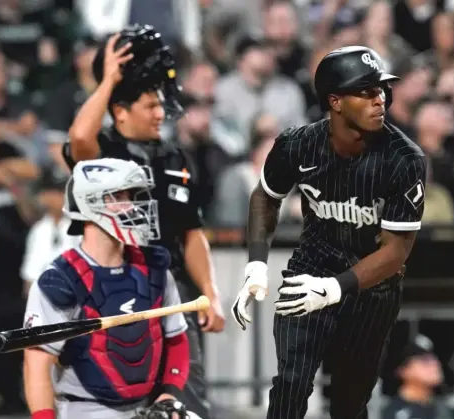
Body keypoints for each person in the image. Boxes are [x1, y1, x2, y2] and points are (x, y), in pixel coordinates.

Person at [231, 46, 427, 419]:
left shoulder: (405, 159)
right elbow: (265, 197)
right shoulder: (297, 144)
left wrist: (336, 288)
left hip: (372, 288)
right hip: (311, 268)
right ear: (335, 101)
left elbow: (395, 252)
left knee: (349, 403)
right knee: (290, 385)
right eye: (366, 91)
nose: (380, 99)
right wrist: (256, 264)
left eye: (381, 90)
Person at [62, 25, 224, 419]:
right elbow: (79, 138)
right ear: (120, 111)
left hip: (173, 289)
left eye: (159, 104)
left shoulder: (173, 157)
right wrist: (110, 81)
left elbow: (192, 232)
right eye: (150, 106)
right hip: (114, 287)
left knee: (183, 400)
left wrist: (210, 292)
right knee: (117, 399)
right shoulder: (106, 153)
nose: (159, 113)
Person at [23, 157, 196, 419]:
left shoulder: (154, 269)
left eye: (132, 195)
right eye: (119, 196)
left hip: (149, 407)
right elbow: (36, 365)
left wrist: (169, 395)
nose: (133, 206)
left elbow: (176, 340)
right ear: (90, 203)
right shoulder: (60, 280)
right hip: (86, 409)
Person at [383, 334, 454, 419]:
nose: (435, 364)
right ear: (403, 370)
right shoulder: (397, 413)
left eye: (435, 358)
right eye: (425, 361)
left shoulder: (441, 407)